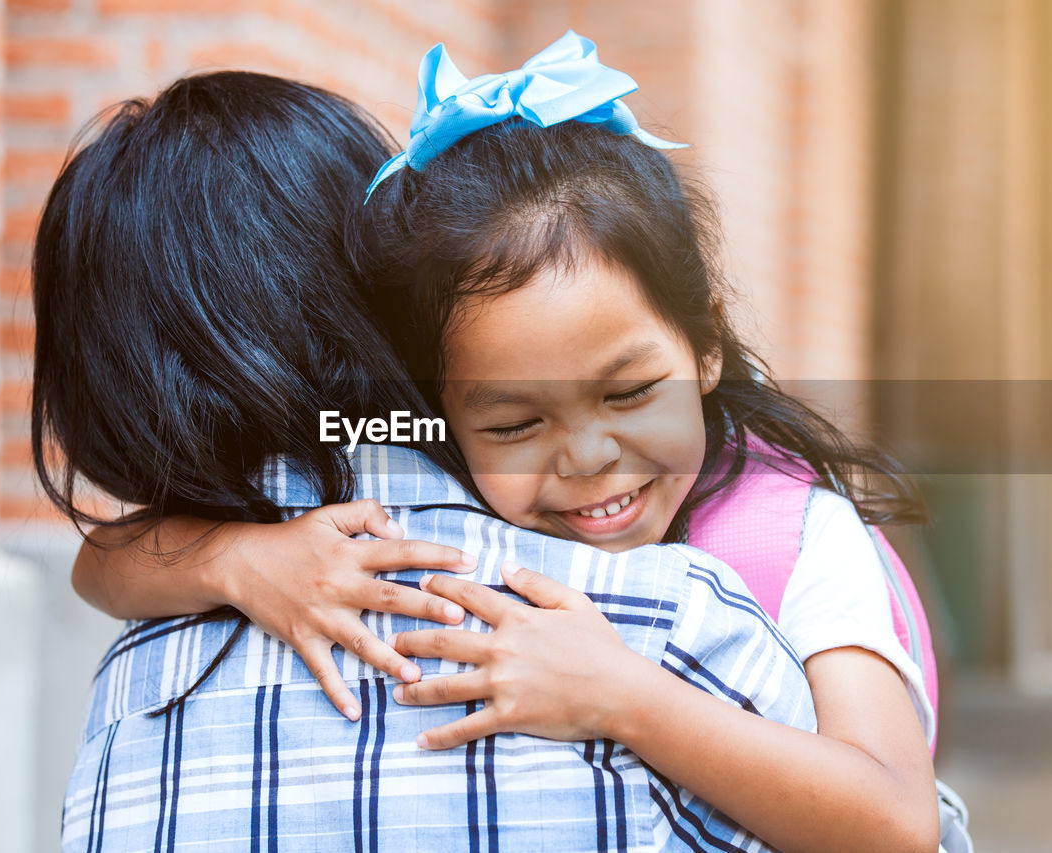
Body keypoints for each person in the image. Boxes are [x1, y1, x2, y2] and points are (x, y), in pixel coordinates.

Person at [73, 34, 970, 851]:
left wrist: (626, 695)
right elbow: (100, 561)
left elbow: (897, 822)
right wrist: (239, 558)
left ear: (705, 348)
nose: (582, 456)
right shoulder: (412, 439)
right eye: (513, 425)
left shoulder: (786, 535)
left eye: (626, 391)